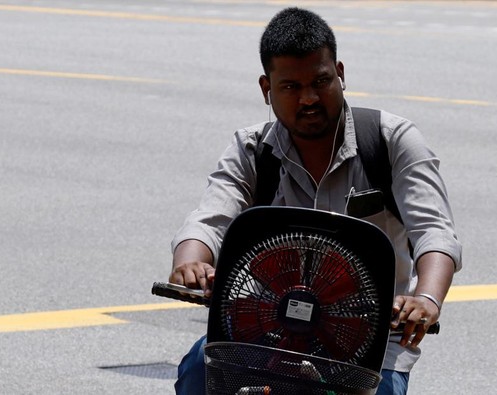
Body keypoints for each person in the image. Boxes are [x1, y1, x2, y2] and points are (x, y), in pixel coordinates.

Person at [169, 7, 462, 395]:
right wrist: (191, 261)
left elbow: (435, 232)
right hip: (270, 326)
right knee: (197, 372)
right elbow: (209, 219)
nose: (309, 98)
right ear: (266, 89)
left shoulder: (391, 142)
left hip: (367, 340)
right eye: (290, 87)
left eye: (321, 81)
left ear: (340, 74)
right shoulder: (252, 150)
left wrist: (426, 299)